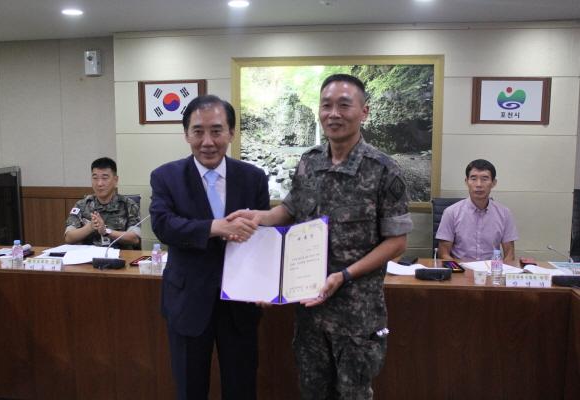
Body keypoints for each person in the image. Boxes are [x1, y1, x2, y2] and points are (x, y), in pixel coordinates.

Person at [227, 74, 413, 400]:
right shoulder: (309, 162)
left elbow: (397, 242)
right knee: (312, 392)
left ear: (364, 112)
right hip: (309, 309)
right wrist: (261, 218)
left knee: (354, 394)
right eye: (326, 105)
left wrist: (344, 275)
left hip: (357, 315)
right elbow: (290, 209)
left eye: (344, 105)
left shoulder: (384, 170)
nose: (333, 113)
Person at [149, 95, 269, 400]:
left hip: (241, 302)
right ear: (186, 134)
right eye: (198, 131)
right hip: (188, 301)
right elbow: (163, 225)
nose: (207, 142)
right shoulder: (166, 177)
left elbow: (264, 236)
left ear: (231, 133)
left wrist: (267, 284)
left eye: (216, 131)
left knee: (241, 388)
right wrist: (216, 228)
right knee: (190, 389)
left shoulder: (253, 178)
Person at [436, 159, 518, 264]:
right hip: (461, 269)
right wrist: (458, 270)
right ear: (466, 182)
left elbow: (509, 254)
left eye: (484, 179)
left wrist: (500, 272)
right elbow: (443, 253)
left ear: (493, 183)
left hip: (491, 270)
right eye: (473, 178)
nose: (479, 184)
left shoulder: (505, 213)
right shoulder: (451, 212)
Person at [64, 157, 141, 249]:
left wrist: (106, 231)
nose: (99, 183)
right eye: (95, 178)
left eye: (105, 178)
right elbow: (68, 237)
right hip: (89, 256)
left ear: (115, 180)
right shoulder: (82, 205)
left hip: (121, 256)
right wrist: (90, 227)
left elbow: (134, 238)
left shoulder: (129, 205)